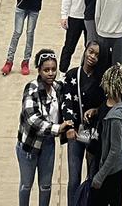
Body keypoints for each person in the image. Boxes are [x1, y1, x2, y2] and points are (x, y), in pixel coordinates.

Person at [15, 49, 71, 206]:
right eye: (46, 70)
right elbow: (33, 120)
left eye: (53, 69)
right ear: (39, 70)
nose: (51, 73)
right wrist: (58, 128)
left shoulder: (58, 88)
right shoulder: (31, 89)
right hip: (29, 146)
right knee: (26, 185)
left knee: (46, 186)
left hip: (47, 145)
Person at [60, 42, 110, 206]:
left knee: (92, 175)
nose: (92, 57)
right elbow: (65, 103)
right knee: (74, 177)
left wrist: (95, 109)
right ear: (85, 51)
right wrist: (69, 127)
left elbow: (107, 103)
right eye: (90, 52)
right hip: (75, 132)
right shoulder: (72, 75)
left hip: (93, 135)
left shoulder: (102, 80)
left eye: (96, 55)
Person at [90, 64, 122, 206]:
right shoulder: (111, 99)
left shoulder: (116, 118)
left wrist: (100, 176)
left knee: (110, 200)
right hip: (104, 157)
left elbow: (115, 150)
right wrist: (95, 111)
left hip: (112, 168)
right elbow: (104, 111)